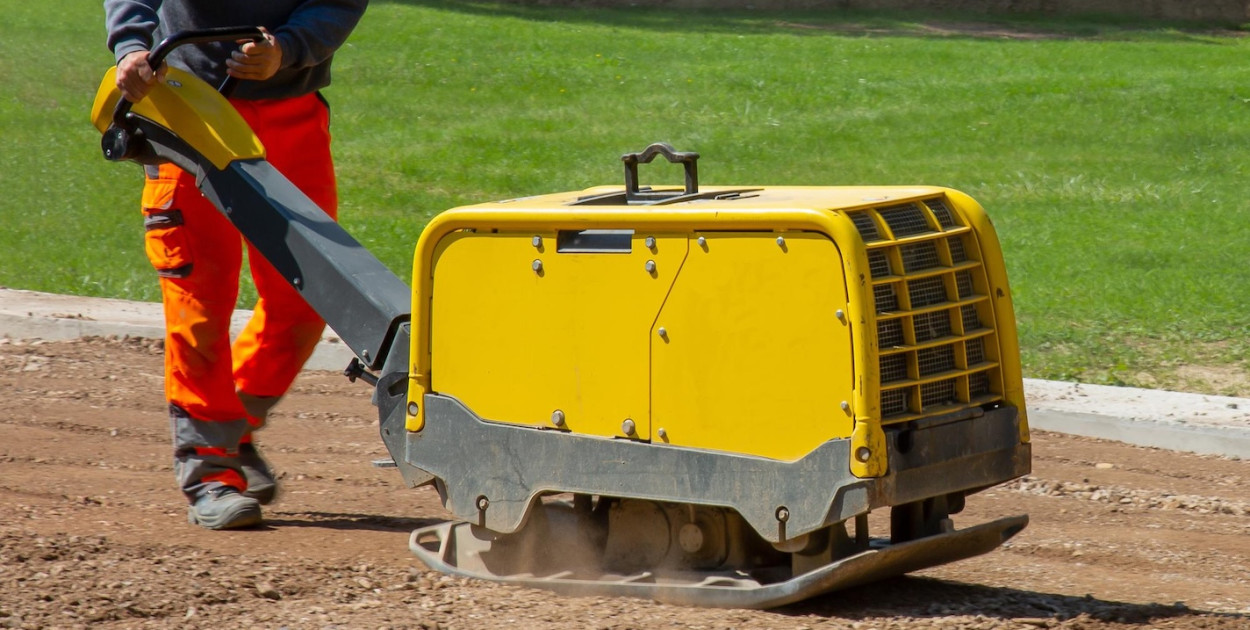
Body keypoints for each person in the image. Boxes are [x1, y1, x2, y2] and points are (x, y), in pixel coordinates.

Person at [103, 0, 369, 530]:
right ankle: (210, 471)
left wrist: (287, 49)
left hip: (292, 112)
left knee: (309, 297)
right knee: (199, 303)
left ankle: (233, 429)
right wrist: (131, 45)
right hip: (185, 108)